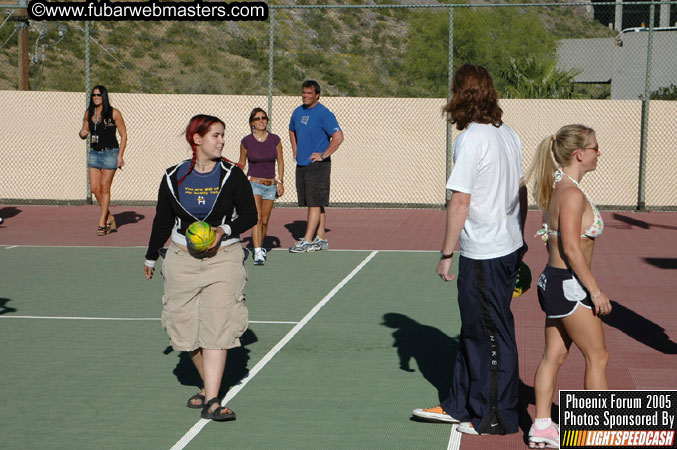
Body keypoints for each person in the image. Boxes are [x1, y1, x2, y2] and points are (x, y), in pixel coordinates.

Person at [412, 64, 528, 437]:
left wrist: (447, 253)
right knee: (475, 330)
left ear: (461, 95)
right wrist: (519, 237)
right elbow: (521, 192)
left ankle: (494, 416)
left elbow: (460, 200)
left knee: (491, 335)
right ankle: (458, 404)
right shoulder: (508, 134)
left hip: (485, 253)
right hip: (505, 246)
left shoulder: (471, 139)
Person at [143, 114, 257, 421]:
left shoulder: (232, 175)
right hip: (181, 259)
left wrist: (225, 231)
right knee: (183, 331)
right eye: (215, 136)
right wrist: (151, 256)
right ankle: (209, 389)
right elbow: (163, 219)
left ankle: (212, 401)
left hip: (224, 259)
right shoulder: (173, 176)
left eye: (223, 135)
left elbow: (249, 215)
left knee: (217, 328)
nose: (221, 141)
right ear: (197, 139)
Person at [525, 125, 610, 449]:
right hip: (570, 285)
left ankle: (543, 427)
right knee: (598, 357)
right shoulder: (572, 194)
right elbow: (573, 249)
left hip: (555, 282)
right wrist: (596, 291)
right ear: (580, 154)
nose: (598, 153)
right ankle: (597, 431)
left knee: (554, 355)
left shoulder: (558, 186)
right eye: (595, 147)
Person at [288, 80, 344, 253]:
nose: (305, 96)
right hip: (302, 164)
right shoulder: (298, 112)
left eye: (309, 93)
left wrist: (323, 155)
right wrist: (295, 149)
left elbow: (338, 137)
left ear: (317, 95)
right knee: (314, 202)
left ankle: (308, 240)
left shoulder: (324, 114)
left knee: (314, 202)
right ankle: (321, 237)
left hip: (317, 166)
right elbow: (291, 130)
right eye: (303, 93)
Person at [78, 85, 127, 236]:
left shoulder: (114, 113)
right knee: (94, 188)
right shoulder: (89, 113)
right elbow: (83, 132)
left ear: (104, 96)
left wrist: (120, 155)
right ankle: (110, 216)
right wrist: (82, 133)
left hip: (110, 153)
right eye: (93, 95)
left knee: (105, 187)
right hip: (94, 153)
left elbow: (124, 135)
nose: (96, 97)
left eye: (98, 95)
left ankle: (102, 222)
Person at [238, 108, 285, 266]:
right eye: (257, 118)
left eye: (264, 118)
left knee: (265, 220)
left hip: (271, 185)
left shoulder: (275, 140)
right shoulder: (246, 141)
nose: (261, 121)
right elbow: (242, 162)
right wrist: (237, 175)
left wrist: (281, 181)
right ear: (252, 123)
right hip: (253, 184)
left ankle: (260, 245)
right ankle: (258, 251)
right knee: (257, 218)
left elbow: (280, 161)